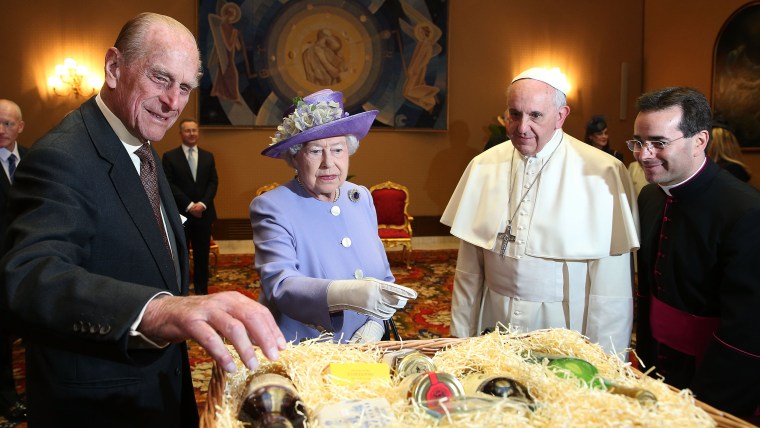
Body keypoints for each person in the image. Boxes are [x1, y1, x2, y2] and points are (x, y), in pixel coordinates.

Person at [0, 13, 285, 427]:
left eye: (184, 87)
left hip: (157, 391)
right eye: (160, 78)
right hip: (98, 407)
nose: (173, 101)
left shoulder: (142, 145)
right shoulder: (62, 156)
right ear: (114, 67)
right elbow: (28, 278)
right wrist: (158, 311)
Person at [441, 67, 639, 356]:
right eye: (515, 114)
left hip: (565, 326)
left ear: (561, 116)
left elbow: (611, 290)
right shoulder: (483, 166)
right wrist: (460, 343)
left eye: (536, 115)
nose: (522, 127)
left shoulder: (602, 172)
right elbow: (468, 273)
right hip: (493, 319)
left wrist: (606, 361)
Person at [632, 87, 760, 420]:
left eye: (659, 143)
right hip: (655, 365)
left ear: (700, 140)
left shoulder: (746, 211)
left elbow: (747, 328)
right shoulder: (650, 197)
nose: (644, 154)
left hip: (714, 375)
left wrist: (705, 406)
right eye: (638, 142)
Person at [250, 89, 417, 344]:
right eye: (315, 151)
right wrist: (347, 293)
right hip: (308, 352)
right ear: (294, 157)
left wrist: (374, 325)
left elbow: (383, 279)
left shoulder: (360, 198)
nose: (329, 163)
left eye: (338, 149)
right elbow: (281, 286)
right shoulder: (272, 206)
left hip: (367, 349)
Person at [163, 118, 219, 295]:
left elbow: (213, 182)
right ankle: (182, 291)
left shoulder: (208, 156)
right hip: (181, 214)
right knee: (182, 256)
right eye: (188, 130)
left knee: (202, 256)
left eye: (194, 130)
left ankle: (202, 292)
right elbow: (168, 184)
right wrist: (189, 205)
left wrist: (202, 204)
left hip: (204, 214)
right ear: (180, 133)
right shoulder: (170, 157)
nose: (192, 134)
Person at [0, 99, 27, 427]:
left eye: (7, 123)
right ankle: (7, 399)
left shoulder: (36, 159)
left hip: (33, 268)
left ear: (20, 127)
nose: (1, 129)